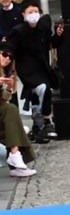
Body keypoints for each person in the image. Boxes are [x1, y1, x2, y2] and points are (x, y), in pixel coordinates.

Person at [7, 2, 64, 143]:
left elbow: (52, 43)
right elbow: (10, 49)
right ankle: (46, 119)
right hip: (27, 69)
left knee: (40, 93)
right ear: (24, 15)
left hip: (42, 67)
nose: (33, 14)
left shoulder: (43, 27)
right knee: (43, 89)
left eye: (35, 11)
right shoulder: (18, 30)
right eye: (30, 11)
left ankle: (39, 125)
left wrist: (58, 35)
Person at [0, 46, 36, 177]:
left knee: (11, 114)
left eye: (10, 57)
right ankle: (16, 157)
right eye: (4, 54)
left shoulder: (5, 73)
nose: (7, 59)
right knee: (11, 113)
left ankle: (15, 156)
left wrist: (8, 88)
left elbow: (3, 100)